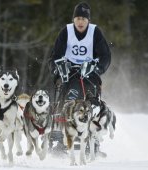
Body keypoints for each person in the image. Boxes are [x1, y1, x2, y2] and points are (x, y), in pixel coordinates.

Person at [48, 2, 111, 156]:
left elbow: (105, 56)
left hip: (89, 72)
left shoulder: (95, 32)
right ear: (73, 19)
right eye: (78, 18)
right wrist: (57, 69)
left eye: (83, 18)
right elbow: (55, 56)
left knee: (91, 100)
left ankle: (92, 136)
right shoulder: (66, 31)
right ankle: (60, 135)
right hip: (68, 72)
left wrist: (97, 68)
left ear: (88, 20)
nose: (80, 22)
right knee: (65, 98)